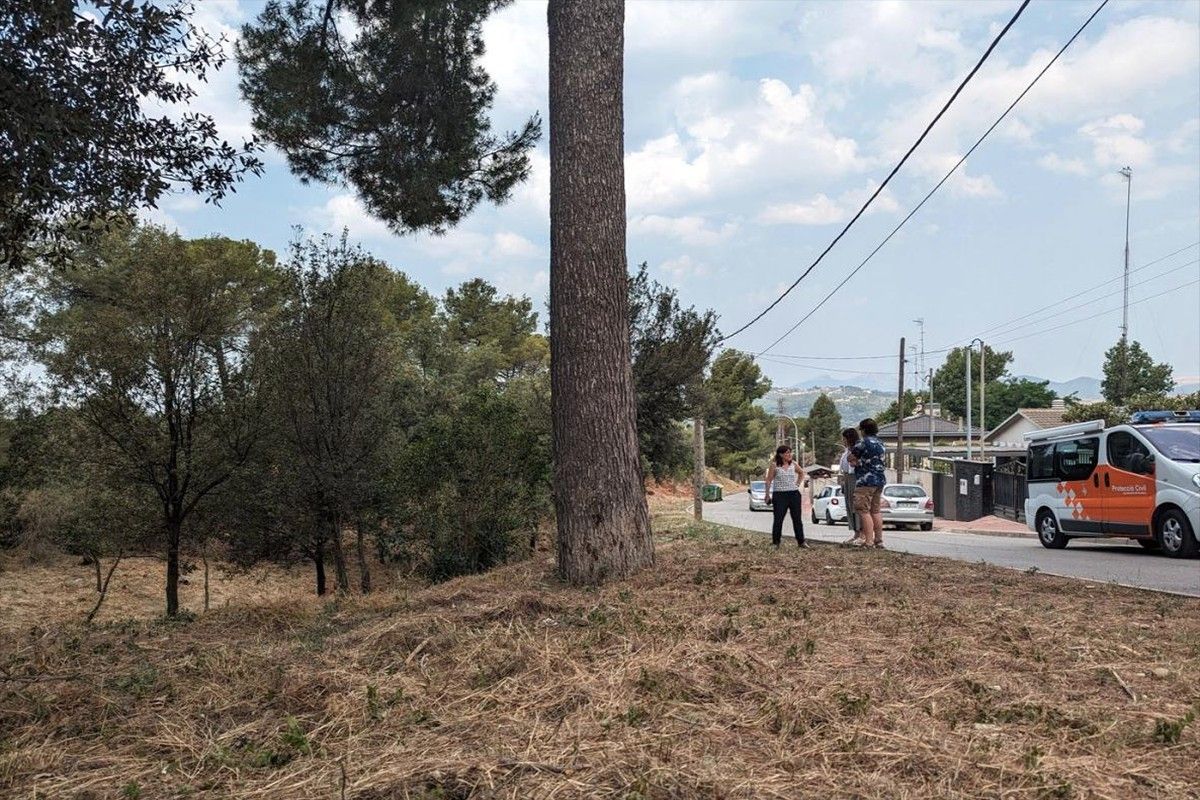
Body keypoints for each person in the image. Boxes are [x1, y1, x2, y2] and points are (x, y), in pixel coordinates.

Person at [848, 418, 887, 549]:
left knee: (863, 510)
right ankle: (879, 540)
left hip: (865, 480)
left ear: (863, 430)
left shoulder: (863, 443)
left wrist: (856, 462)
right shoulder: (880, 443)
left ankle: (868, 541)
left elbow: (851, 457)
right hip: (880, 479)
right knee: (875, 510)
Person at [765, 445, 808, 549]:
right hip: (780, 495)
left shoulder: (793, 464)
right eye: (786, 453)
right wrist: (767, 494)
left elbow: (802, 473)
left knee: (797, 519)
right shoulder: (774, 465)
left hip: (793, 494)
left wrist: (797, 484)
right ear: (781, 454)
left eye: (790, 452)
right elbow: (769, 480)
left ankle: (801, 541)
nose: (789, 455)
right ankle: (776, 542)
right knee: (778, 519)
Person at [838, 427, 862, 545]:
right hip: (847, 478)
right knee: (849, 505)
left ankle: (861, 532)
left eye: (844, 438)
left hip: (854, 478)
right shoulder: (846, 451)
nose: (843, 440)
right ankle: (855, 532)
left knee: (856, 505)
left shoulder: (856, 450)